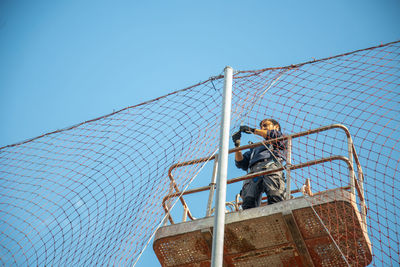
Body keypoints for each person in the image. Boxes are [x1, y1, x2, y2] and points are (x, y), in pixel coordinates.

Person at [232, 119, 286, 210]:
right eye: (261, 127)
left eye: (266, 125)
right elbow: (241, 163)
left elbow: (272, 135)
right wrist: (237, 146)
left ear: (276, 127)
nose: (262, 128)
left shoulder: (280, 138)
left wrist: (252, 130)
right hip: (254, 171)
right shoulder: (256, 148)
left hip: (271, 166)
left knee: (275, 197)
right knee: (248, 203)